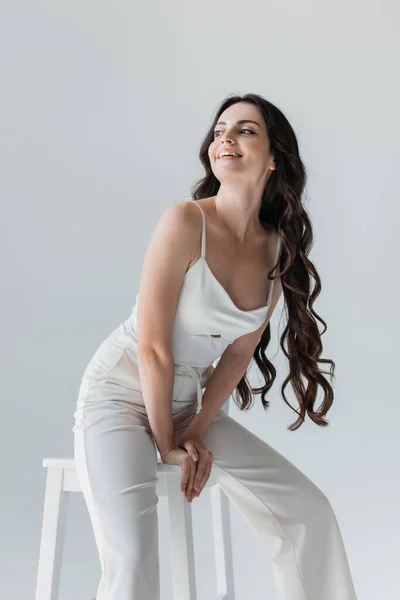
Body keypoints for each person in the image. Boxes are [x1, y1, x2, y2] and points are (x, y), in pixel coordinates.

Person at [72, 93, 358, 599]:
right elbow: (155, 350)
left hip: (188, 405)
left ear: (274, 158)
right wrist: (167, 445)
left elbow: (237, 355)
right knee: (134, 557)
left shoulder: (277, 248)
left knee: (307, 511)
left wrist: (195, 431)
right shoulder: (184, 222)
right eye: (220, 129)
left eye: (245, 130)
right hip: (119, 394)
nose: (225, 137)